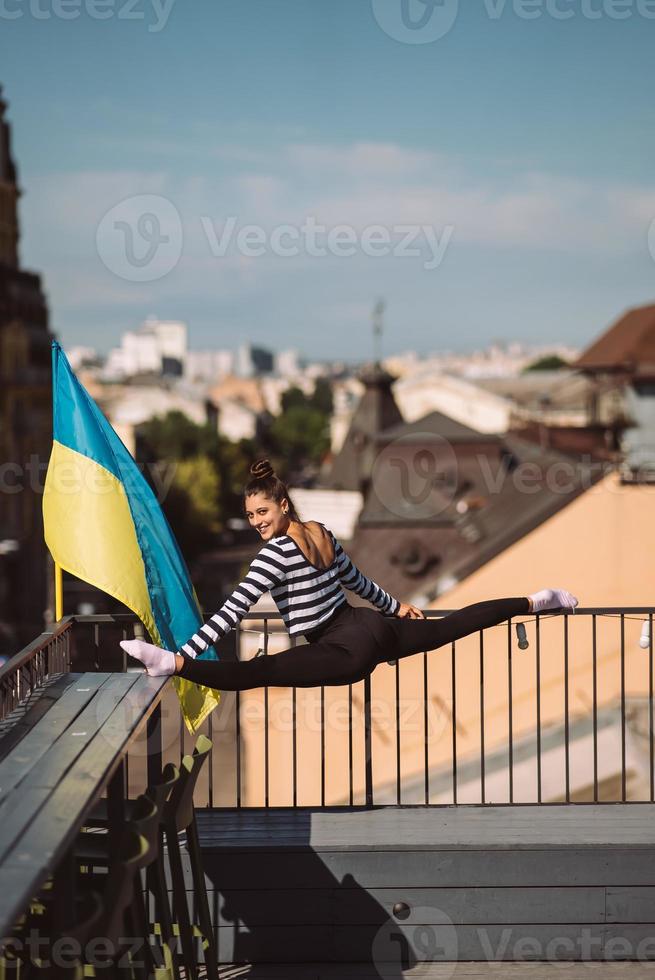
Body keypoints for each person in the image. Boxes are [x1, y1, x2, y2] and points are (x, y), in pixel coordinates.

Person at [121, 458, 579, 690]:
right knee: (453, 627)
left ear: (282, 504)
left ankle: (170, 664)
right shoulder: (321, 530)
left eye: (262, 511)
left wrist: (185, 650)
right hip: (370, 624)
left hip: (346, 648)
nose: (256, 522)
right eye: (249, 515)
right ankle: (538, 600)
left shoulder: (275, 554)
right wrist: (395, 606)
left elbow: (231, 614)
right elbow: (357, 582)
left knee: (256, 672)